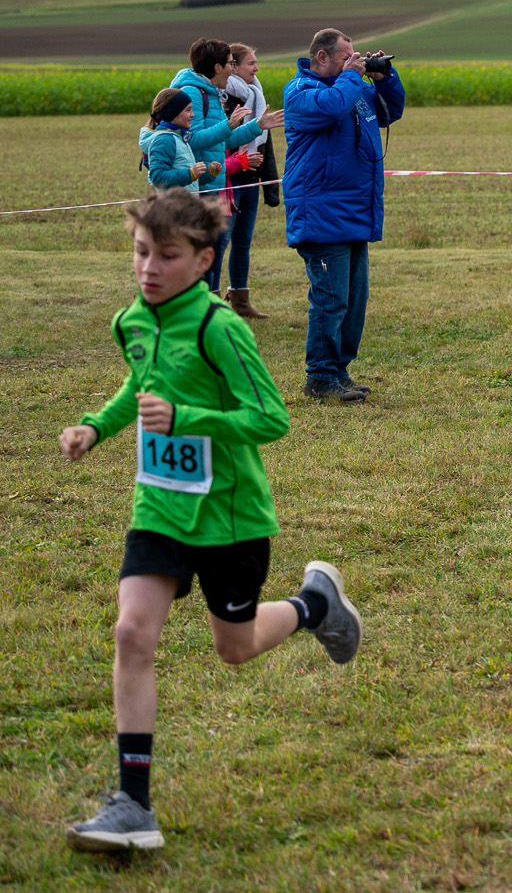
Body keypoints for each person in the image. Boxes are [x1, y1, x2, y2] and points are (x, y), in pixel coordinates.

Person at [56, 189, 363, 854]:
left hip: (230, 516)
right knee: (131, 632)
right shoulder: (131, 321)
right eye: (141, 252)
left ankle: (315, 604)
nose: (149, 268)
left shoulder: (219, 328)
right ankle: (133, 805)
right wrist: (95, 426)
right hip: (160, 507)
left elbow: (270, 418)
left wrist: (187, 418)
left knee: (236, 647)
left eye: (167, 255)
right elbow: (139, 389)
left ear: (202, 260)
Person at [281, 29, 406, 403]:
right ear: (322, 57)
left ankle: (338, 371)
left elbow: (390, 112)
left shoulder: (353, 89)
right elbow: (332, 107)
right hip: (321, 215)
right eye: (345, 57)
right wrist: (353, 75)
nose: (354, 62)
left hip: (353, 213)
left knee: (353, 301)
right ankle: (319, 378)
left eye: (356, 57)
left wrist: (383, 78)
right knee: (331, 300)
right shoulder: (301, 92)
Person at [170, 39, 281, 294]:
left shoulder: (211, 93)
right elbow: (192, 140)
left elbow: (223, 140)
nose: (233, 69)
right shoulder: (192, 93)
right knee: (199, 259)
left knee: (208, 256)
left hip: (211, 185)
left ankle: (209, 308)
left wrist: (258, 126)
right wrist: (227, 126)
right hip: (196, 188)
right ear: (217, 67)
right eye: (231, 64)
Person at [221, 43, 280, 321]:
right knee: (220, 242)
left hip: (251, 180)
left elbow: (267, 145)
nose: (257, 68)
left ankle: (240, 300)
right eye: (251, 63)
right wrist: (240, 161)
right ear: (233, 66)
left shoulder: (257, 94)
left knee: (243, 242)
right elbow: (218, 142)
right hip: (228, 180)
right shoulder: (224, 97)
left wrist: (270, 186)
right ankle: (209, 302)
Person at [137, 89, 211, 191]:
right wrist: (190, 173)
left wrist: (208, 173)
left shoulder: (179, 137)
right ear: (173, 112)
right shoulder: (165, 140)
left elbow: (186, 181)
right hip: (172, 201)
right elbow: (158, 177)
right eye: (188, 110)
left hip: (184, 200)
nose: (192, 114)